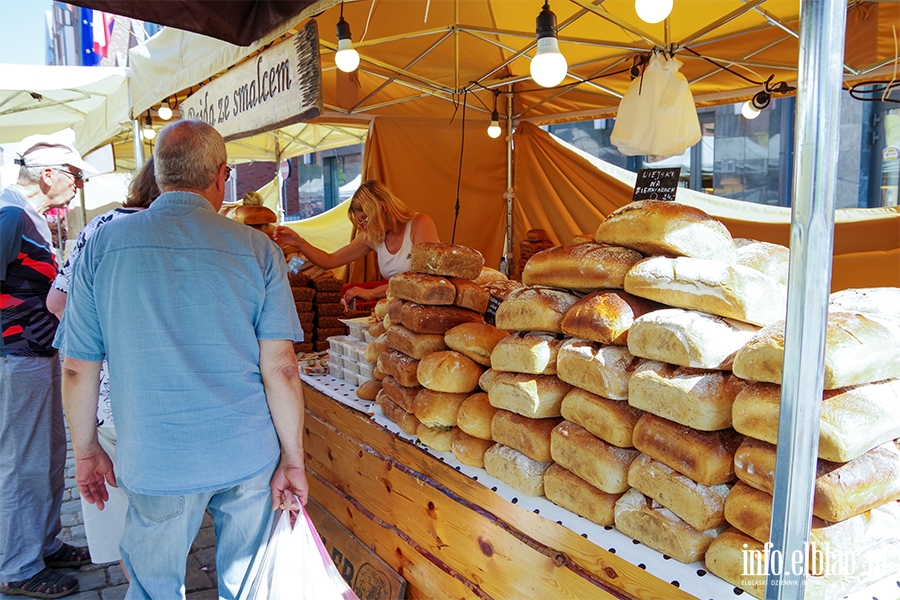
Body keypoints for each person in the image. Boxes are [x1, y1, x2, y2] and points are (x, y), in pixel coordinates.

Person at [54, 120, 309, 599]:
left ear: (160, 173)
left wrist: (86, 450)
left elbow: (76, 367)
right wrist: (292, 460)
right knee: (250, 582)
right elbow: (281, 367)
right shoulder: (257, 248)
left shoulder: (103, 245)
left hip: (155, 454)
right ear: (221, 176)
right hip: (247, 449)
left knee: (153, 588)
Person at [45, 159, 161, 576]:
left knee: (129, 528)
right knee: (153, 528)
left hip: (104, 403)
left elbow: (57, 301)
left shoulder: (98, 227)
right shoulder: (164, 230)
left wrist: (100, 342)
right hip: (148, 402)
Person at [1, 137, 96, 598]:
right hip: (15, 357)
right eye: (75, 175)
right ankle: (18, 566)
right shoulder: (11, 213)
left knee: (47, 455)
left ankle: (43, 542)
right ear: (48, 175)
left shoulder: (28, 216)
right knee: (22, 462)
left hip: (35, 354)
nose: (78, 186)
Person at [273, 179, 439, 304]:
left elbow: (423, 278)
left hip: (429, 306)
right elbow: (330, 261)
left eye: (365, 218)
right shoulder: (373, 237)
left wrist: (373, 293)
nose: (364, 226)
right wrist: (300, 243)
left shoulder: (420, 223)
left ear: (382, 208)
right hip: (399, 308)